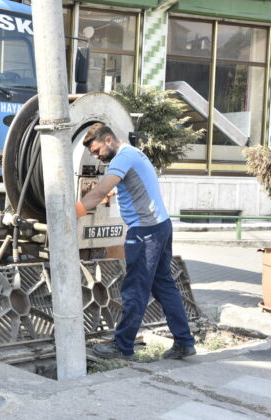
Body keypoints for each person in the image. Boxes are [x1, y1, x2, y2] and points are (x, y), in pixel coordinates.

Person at [76, 123, 196, 361]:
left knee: (134, 290)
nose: (97, 156)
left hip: (145, 232)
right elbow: (128, 187)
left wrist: (73, 211)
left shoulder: (122, 157)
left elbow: (99, 191)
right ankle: (184, 342)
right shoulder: (134, 153)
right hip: (161, 226)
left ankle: (122, 346)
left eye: (97, 150)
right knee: (163, 286)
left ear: (109, 139)